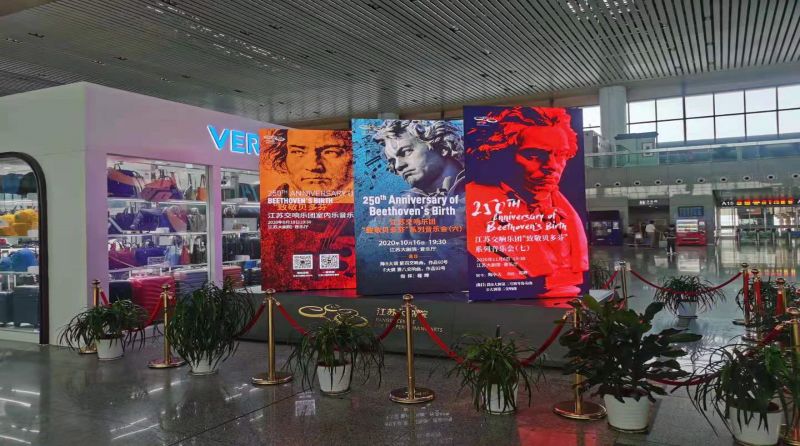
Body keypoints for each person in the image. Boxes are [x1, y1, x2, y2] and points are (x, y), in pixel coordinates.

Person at [466, 106, 588, 297]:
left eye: (560, 155)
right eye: (534, 155)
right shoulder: (471, 205)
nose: (552, 166)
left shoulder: (566, 211)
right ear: (501, 153)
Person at [372, 119, 465, 204]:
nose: (398, 166)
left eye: (406, 152)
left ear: (442, 147)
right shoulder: (403, 210)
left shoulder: (473, 192)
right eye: (392, 161)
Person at [262, 129, 353, 202]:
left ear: (353, 156)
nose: (313, 166)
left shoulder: (359, 208)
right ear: (283, 157)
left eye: (330, 152)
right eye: (298, 152)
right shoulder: (266, 208)